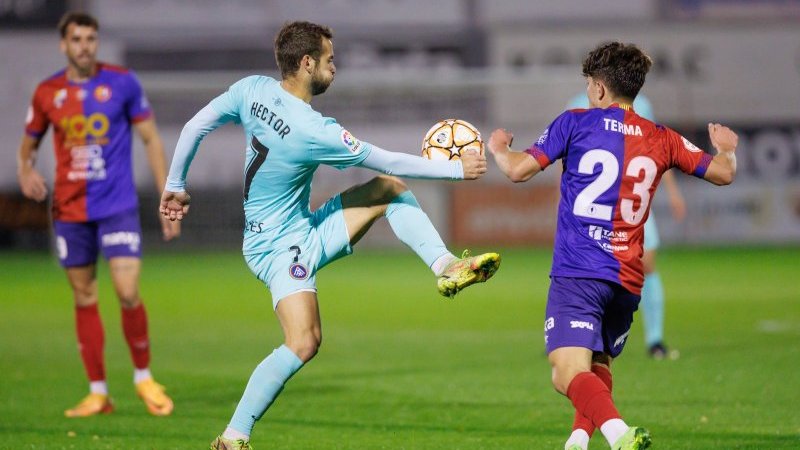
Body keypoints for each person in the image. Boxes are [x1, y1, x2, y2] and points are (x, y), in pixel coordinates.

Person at [159, 21, 501, 450]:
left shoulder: (251, 90)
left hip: (293, 230)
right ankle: (233, 436)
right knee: (303, 342)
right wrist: (456, 169)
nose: (335, 68)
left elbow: (195, 125)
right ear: (307, 64)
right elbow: (386, 158)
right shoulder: (314, 130)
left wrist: (176, 183)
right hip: (279, 249)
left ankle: (446, 266)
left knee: (388, 191)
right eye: (329, 59)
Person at [487, 41, 738, 450]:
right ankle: (577, 442)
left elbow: (518, 170)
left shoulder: (575, 123)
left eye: (589, 83)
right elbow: (724, 173)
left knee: (565, 372)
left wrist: (499, 148)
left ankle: (619, 433)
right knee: (598, 362)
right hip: (627, 279)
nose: (587, 90)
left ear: (600, 89)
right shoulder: (662, 138)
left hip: (579, 273)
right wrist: (726, 148)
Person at [16, 12, 178, 417]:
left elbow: (151, 139)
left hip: (117, 206)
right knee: (84, 295)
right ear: (64, 44)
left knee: (127, 292)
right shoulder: (47, 92)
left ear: (96, 42)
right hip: (70, 211)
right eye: (77, 39)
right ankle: (98, 392)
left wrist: (166, 197)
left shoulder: (122, 83)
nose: (85, 45)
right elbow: (29, 143)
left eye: (91, 38)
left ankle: (144, 378)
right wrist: (25, 169)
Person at [565, 93, 686, 359]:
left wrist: (673, 191)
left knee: (647, 264)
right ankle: (579, 336)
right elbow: (568, 158)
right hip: (594, 207)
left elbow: (657, 150)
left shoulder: (640, 104)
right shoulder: (575, 104)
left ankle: (655, 339)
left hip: (633, 203)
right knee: (589, 268)